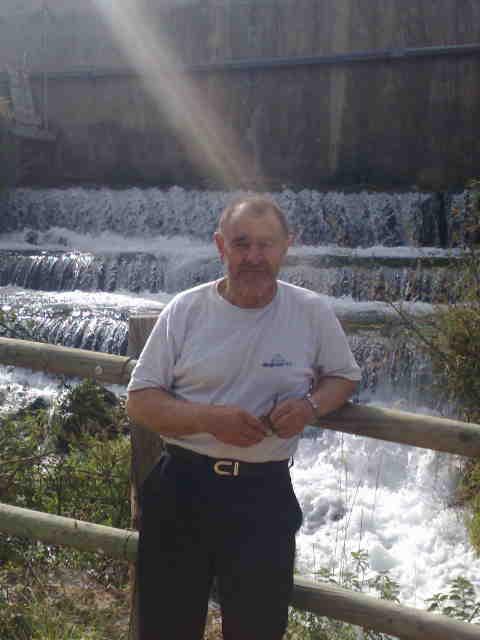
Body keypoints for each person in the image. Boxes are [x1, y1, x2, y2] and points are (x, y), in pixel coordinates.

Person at [126, 195, 361, 640]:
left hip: (262, 497)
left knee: (257, 630)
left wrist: (310, 407)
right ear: (221, 246)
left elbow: (344, 377)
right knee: (165, 629)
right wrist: (208, 419)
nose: (254, 256)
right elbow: (139, 401)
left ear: (287, 245)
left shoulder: (311, 312)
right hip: (181, 490)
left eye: (266, 244)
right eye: (241, 243)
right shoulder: (185, 310)